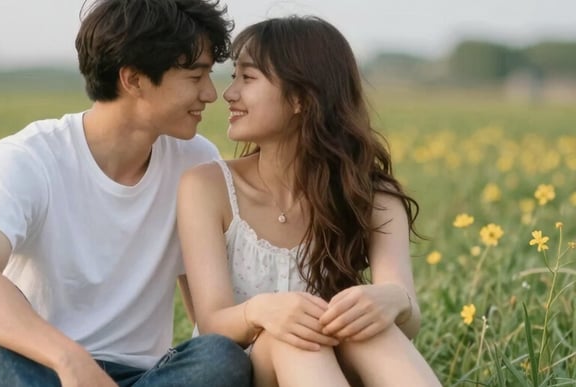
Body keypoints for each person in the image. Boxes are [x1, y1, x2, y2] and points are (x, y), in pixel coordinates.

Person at [0, 1, 253, 386]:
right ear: (133, 79)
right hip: (41, 367)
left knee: (219, 357)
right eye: (195, 76)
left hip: (144, 377)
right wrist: (70, 361)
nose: (211, 93)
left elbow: (208, 311)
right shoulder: (29, 157)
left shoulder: (195, 161)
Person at [177, 16, 442, 386]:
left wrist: (392, 301)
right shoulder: (207, 186)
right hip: (240, 371)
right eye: (234, 76)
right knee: (295, 339)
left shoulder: (373, 195)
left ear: (301, 97)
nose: (229, 93)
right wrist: (264, 311)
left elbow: (408, 317)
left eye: (247, 78)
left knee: (369, 330)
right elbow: (212, 321)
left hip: (330, 366)